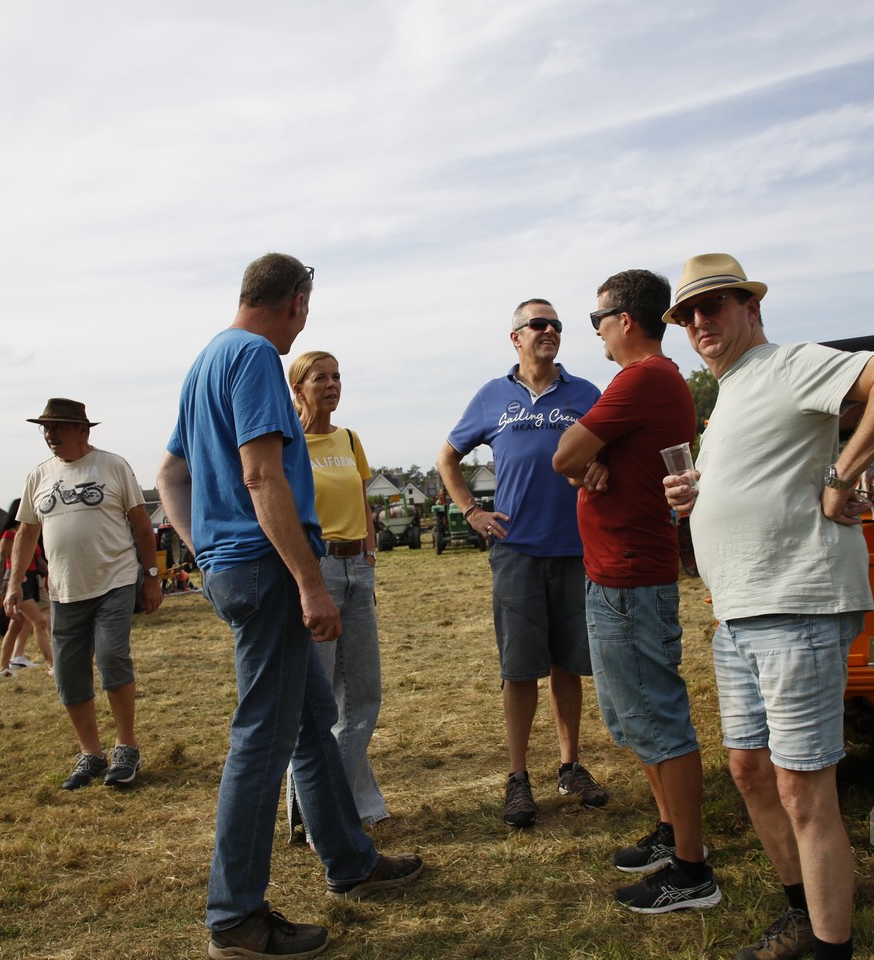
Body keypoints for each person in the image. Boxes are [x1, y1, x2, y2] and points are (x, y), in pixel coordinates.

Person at [662, 253, 874, 960]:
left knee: (803, 791)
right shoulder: (730, 395)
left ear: (751, 307)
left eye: (713, 305)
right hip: (738, 614)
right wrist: (697, 495)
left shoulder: (787, 364)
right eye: (687, 315)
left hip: (796, 605)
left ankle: (831, 947)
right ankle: (802, 916)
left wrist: (843, 475)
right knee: (750, 773)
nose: (698, 321)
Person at [155, 253, 421, 960]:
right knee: (261, 740)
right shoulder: (254, 359)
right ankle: (235, 918)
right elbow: (261, 475)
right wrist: (308, 582)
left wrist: (204, 550)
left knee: (309, 722)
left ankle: (351, 861)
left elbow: (171, 474)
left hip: (236, 565)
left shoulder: (207, 361)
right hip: (268, 570)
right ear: (297, 302)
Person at [551, 269, 718, 915]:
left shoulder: (642, 379)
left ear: (624, 319)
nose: (594, 331)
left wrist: (585, 460)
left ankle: (692, 872)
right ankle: (672, 833)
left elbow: (565, 455)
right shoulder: (657, 381)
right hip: (620, 575)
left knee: (658, 720)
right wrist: (593, 462)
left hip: (629, 579)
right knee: (637, 719)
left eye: (597, 320)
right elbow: (581, 462)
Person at [437, 298, 608, 829]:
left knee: (568, 664)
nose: (549, 330)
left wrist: (601, 467)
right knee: (519, 668)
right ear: (516, 337)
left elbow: (611, 452)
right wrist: (472, 511)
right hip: (516, 551)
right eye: (538, 324)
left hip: (575, 548)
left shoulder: (585, 393)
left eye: (556, 324)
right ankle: (517, 777)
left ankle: (570, 766)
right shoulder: (492, 395)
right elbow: (447, 457)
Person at [3, 398, 163, 790]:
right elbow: (26, 533)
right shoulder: (38, 476)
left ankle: (126, 747)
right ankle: (90, 754)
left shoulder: (112, 466)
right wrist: (12, 583)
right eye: (45, 427)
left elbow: (142, 524)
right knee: (68, 672)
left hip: (114, 580)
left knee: (111, 657)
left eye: (57, 426)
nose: (50, 434)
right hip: (64, 589)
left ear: (83, 430)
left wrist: (151, 576)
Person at [283, 349, 390, 837]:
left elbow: (361, 500)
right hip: (317, 568)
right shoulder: (287, 443)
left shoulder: (349, 439)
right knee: (319, 701)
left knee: (363, 696)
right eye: (320, 378)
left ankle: (328, 809)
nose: (331, 385)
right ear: (298, 389)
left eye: (337, 377)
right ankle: (323, 815)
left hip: (356, 568)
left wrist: (369, 556)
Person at [0, 498, 53, 677]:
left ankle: (3, 667)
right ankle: (52, 664)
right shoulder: (9, 535)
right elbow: (0, 562)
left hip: (30, 580)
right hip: (17, 581)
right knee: (39, 622)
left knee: (16, 626)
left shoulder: (28, 533)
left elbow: (38, 561)